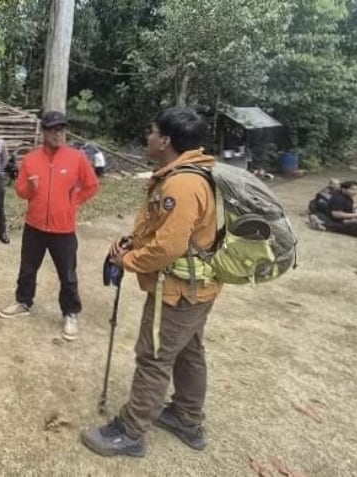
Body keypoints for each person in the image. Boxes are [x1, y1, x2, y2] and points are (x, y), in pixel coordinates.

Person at [81, 107, 223, 458]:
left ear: (166, 141)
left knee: (154, 357)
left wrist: (127, 260)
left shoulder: (182, 183)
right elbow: (164, 228)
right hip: (198, 288)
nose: (148, 136)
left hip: (178, 291)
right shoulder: (193, 172)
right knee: (188, 350)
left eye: (152, 131)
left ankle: (130, 432)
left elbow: (170, 245)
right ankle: (186, 417)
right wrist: (133, 240)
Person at [0, 111, 99, 341]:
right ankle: (23, 301)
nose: (58, 133)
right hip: (34, 226)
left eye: (61, 129)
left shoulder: (77, 157)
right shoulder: (31, 160)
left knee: (68, 274)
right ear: (43, 131)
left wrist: (73, 201)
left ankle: (71, 312)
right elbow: (21, 191)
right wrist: (32, 188)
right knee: (27, 268)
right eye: (53, 129)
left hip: (63, 230)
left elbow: (91, 185)